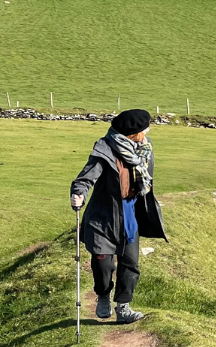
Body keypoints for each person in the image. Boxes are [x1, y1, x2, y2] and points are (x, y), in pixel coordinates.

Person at [70, 109, 167, 323]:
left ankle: (123, 307)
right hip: (103, 216)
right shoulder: (104, 150)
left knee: (130, 263)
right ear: (132, 133)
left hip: (130, 213)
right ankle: (103, 296)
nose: (148, 130)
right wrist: (78, 194)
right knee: (102, 263)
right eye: (144, 128)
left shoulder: (144, 148)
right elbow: (85, 179)